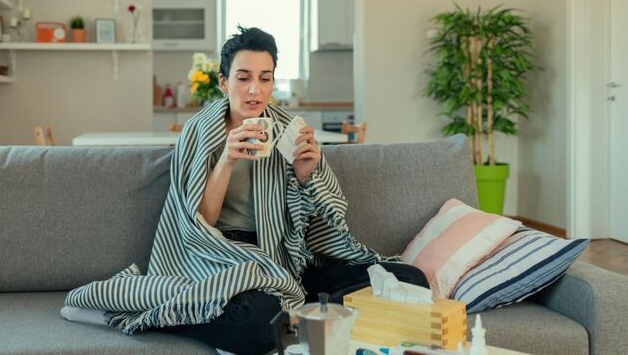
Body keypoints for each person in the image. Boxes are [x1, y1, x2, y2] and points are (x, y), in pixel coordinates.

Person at [61, 27, 428, 355]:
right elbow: (196, 224)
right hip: (220, 259)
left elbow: (318, 225)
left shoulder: (287, 130)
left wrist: (305, 176)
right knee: (258, 326)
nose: (255, 90)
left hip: (282, 260)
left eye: (265, 78)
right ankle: (168, 316)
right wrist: (227, 160)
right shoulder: (201, 132)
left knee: (408, 280)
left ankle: (295, 311)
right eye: (244, 77)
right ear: (223, 82)